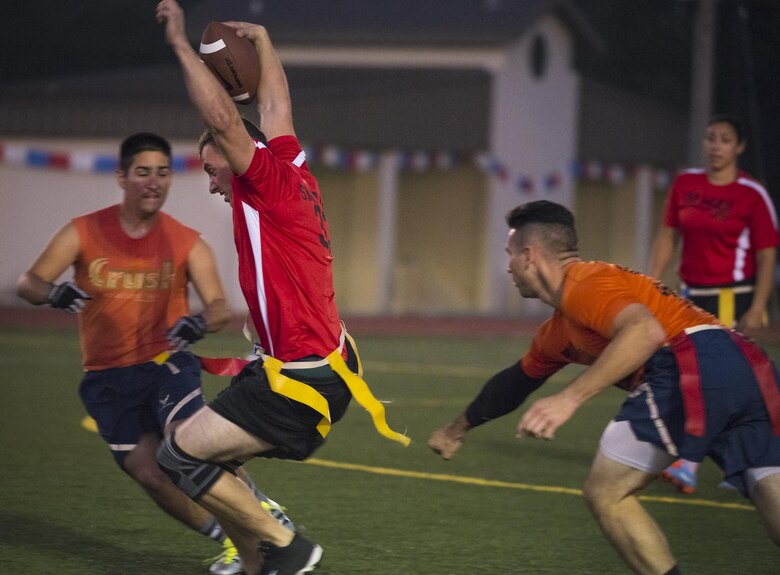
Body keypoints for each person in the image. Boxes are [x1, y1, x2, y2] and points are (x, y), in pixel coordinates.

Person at [154, 2, 409, 574]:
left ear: (236, 156)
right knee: (200, 442)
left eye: (212, 167)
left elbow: (227, 118)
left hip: (302, 380)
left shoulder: (263, 180)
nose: (212, 181)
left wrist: (178, 46)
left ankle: (284, 544)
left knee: (177, 456)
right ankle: (253, 562)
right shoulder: (289, 163)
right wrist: (265, 45)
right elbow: (275, 105)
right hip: (316, 366)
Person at [429, 200, 780, 575]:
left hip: (692, 360)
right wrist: (456, 429)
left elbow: (645, 332)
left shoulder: (586, 281)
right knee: (768, 483)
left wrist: (570, 398)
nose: (508, 266)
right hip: (745, 364)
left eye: (510, 255)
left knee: (607, 493)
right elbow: (516, 382)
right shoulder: (559, 330)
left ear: (530, 256)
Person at [16, 132, 293, 575]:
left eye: (163, 173)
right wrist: (53, 293)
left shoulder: (184, 241)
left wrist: (199, 322)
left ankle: (263, 513)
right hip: (106, 376)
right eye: (143, 172)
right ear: (122, 177)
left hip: (166, 365)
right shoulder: (83, 231)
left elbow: (219, 307)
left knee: (188, 441)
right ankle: (232, 540)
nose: (154, 182)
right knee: (151, 474)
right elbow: (28, 283)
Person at [648, 114, 780, 494]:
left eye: (724, 139)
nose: (715, 146)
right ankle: (729, 464)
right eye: (710, 138)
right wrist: (652, 286)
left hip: (732, 297)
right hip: (690, 297)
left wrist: (757, 307)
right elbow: (667, 236)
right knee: (691, 379)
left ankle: (693, 463)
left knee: (718, 384)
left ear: (739, 147)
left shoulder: (752, 193)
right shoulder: (686, 183)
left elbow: (768, 254)